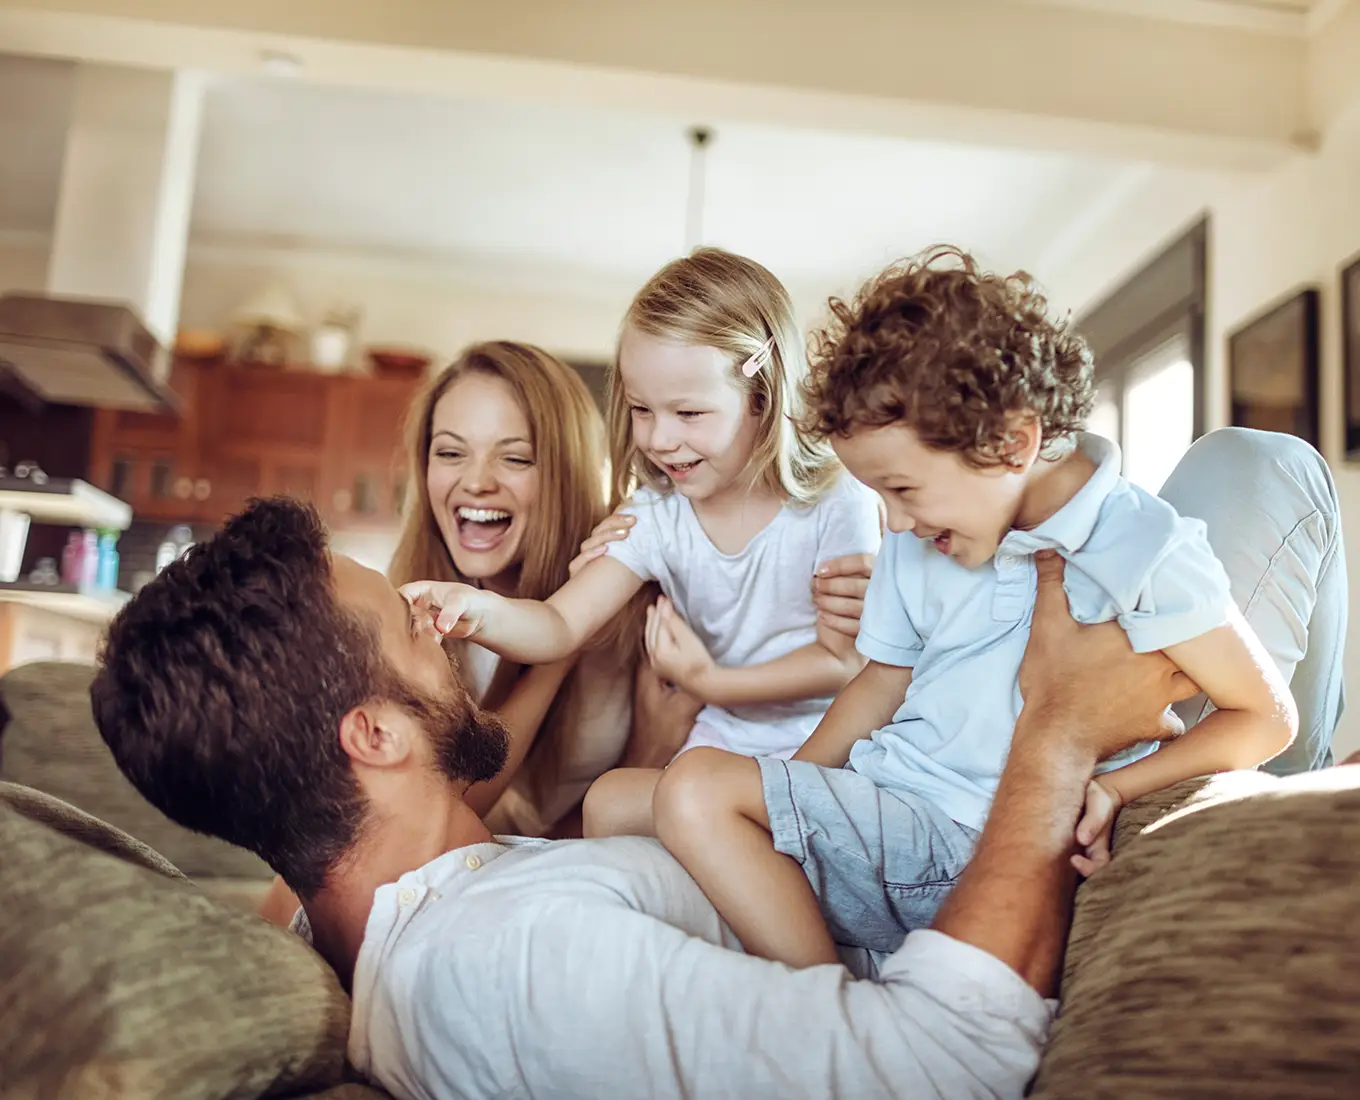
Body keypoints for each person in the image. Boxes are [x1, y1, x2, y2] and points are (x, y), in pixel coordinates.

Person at [89, 493, 1213, 1100]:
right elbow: (938, 1066)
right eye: (406, 626)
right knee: (1253, 477)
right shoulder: (511, 957)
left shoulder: (423, 902)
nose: (441, 618)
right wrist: (1055, 731)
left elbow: (263, 902)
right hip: (1012, 891)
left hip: (935, 821)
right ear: (373, 735)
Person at [651, 249, 1307, 970]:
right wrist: (791, 796)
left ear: (1011, 444)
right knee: (626, 800)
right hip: (887, 806)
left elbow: (1267, 717)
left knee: (693, 788)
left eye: (903, 490)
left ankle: (828, 1002)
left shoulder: (1143, 547)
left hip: (974, 839)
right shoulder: (926, 536)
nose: (893, 524)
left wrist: (1116, 790)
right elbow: (878, 682)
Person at [405, 249, 883, 837]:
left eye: (688, 411)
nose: (659, 438)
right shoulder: (656, 515)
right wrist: (474, 609)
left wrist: (711, 683)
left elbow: (844, 664)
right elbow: (558, 624)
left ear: (763, 398)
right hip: (716, 750)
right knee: (609, 804)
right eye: (641, 410)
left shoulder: (839, 499)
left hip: (824, 743)